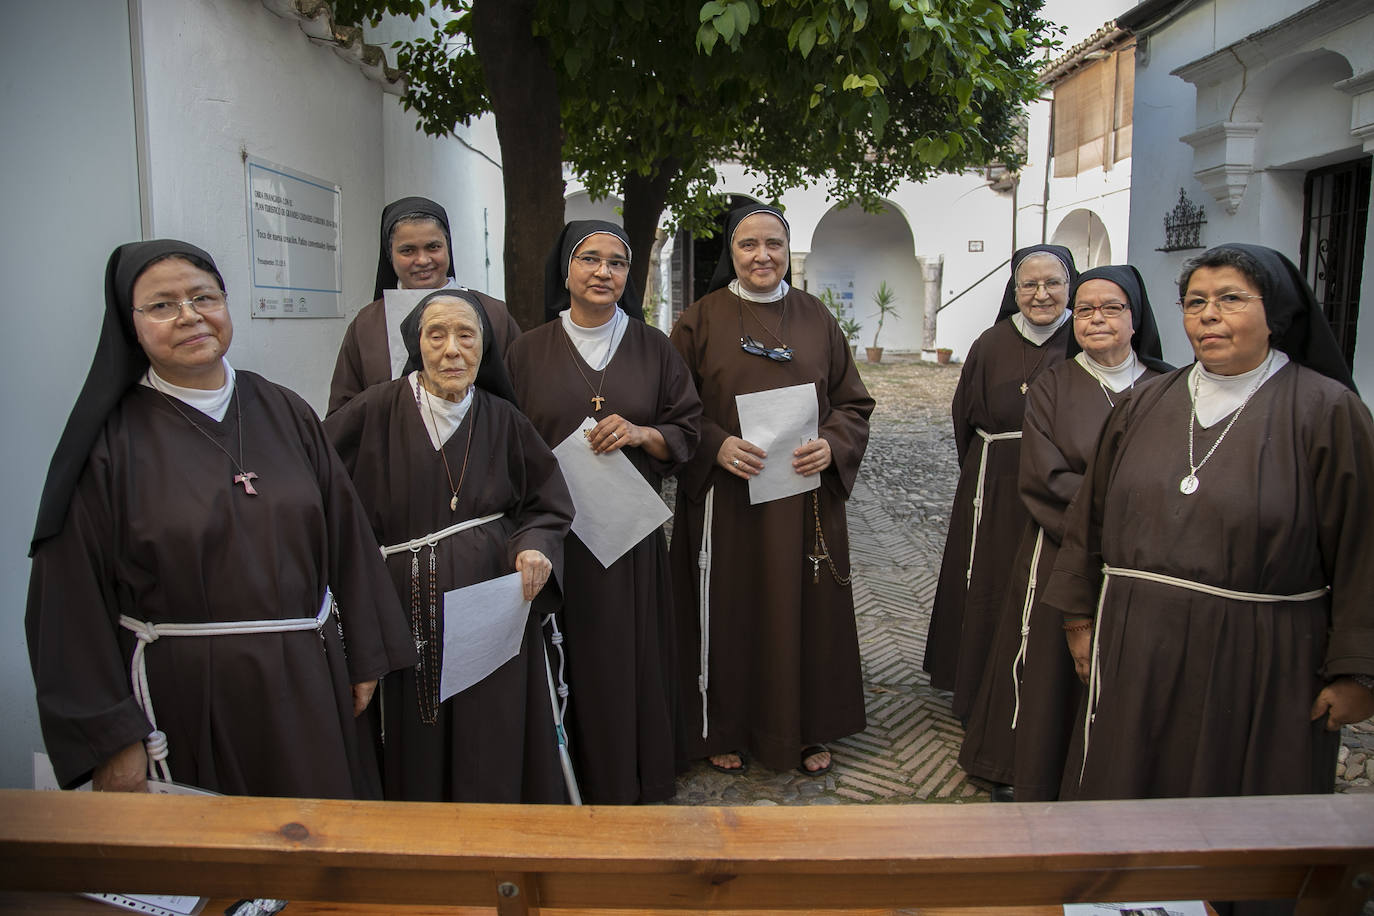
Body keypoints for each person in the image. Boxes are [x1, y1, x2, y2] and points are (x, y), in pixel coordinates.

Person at [27, 239, 416, 797]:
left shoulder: (285, 410)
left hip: (308, 680)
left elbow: (348, 539)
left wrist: (365, 656)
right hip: (185, 700)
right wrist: (111, 737)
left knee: (319, 836)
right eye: (162, 305)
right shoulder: (109, 443)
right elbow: (68, 602)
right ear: (129, 323)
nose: (189, 316)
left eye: (203, 297)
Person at [1044, 244, 1374, 810]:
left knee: (1238, 810)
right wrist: (1078, 617)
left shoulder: (1326, 411)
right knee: (1125, 792)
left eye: (1230, 299)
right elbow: (1089, 518)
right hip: (1137, 645)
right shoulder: (1144, 404)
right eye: (1195, 302)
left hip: (1261, 656)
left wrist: (1358, 673)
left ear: (1276, 313)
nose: (1209, 315)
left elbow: (1363, 548)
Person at [325, 288, 575, 803]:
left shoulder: (505, 419)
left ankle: (493, 826)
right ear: (417, 344)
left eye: (466, 335)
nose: (452, 350)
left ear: (485, 347)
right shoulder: (374, 409)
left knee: (490, 725)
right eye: (436, 335)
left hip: (492, 608)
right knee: (417, 731)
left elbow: (546, 503)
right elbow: (317, 485)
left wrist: (534, 546)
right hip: (401, 606)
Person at [668, 203, 874, 777]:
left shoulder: (816, 317)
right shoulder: (700, 320)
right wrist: (714, 445)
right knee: (730, 609)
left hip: (803, 497)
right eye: (748, 245)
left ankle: (801, 729)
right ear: (731, 252)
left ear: (788, 250)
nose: (762, 256)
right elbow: (673, 408)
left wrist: (833, 443)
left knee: (802, 611)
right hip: (729, 499)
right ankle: (721, 727)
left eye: (774, 244)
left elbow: (853, 403)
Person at [956, 265, 1171, 801]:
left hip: (1147, 560)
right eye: (1087, 309)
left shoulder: (1168, 386)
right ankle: (1029, 767)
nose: (1097, 318)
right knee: (1050, 669)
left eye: (1111, 308)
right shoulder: (1053, 384)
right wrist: (1124, 515)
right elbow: (1044, 476)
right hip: (1063, 547)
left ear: (1136, 317)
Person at [506, 219, 701, 803]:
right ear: (565, 270)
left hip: (626, 537)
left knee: (624, 654)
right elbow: (506, 437)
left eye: (617, 263)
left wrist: (643, 433)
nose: (603, 272)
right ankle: (565, 771)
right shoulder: (526, 350)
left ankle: (631, 772)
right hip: (555, 535)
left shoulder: (654, 347)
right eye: (589, 259)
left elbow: (686, 429)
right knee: (564, 648)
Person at [924, 244, 1079, 735]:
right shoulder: (990, 343)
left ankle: (1039, 690)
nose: (1041, 294)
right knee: (989, 584)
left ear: (1071, 286)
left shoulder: (1084, 339)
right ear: (1014, 290)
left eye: (1052, 283)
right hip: (994, 483)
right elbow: (963, 417)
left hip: (1060, 486)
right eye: (1029, 284)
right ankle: (979, 690)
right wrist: (983, 475)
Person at [327, 196, 521, 415]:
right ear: (390, 254)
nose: (422, 260)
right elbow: (344, 412)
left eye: (433, 247)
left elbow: (522, 394)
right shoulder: (367, 325)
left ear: (448, 247)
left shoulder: (493, 314)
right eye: (407, 250)